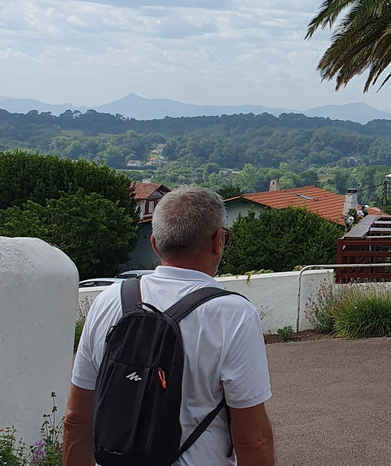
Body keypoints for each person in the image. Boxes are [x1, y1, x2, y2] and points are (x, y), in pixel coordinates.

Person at [63, 186, 275, 466]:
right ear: (218, 241)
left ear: (154, 244)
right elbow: (253, 439)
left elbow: (76, 418)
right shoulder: (233, 314)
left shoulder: (108, 301)